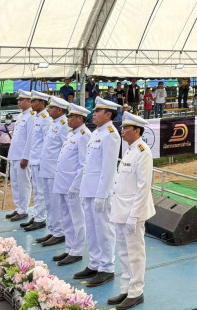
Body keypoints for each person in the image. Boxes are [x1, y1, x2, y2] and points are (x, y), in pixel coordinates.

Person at [109, 112, 155, 310]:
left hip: (133, 212)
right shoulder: (129, 150)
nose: (122, 131)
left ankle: (136, 292)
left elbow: (143, 187)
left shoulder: (143, 152)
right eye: (122, 127)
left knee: (135, 253)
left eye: (126, 128)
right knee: (123, 252)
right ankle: (126, 288)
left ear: (137, 131)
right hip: (121, 210)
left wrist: (134, 216)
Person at [74, 97, 122, 286]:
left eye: (97, 111)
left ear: (108, 114)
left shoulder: (111, 135)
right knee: (92, 228)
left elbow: (108, 169)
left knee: (104, 230)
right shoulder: (97, 132)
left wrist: (102, 195)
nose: (93, 114)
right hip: (89, 189)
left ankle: (107, 267)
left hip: (100, 191)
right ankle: (94, 263)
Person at [52, 104, 92, 267]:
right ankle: (69, 247)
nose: (68, 119)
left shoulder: (84, 135)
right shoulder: (72, 133)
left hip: (72, 184)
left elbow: (84, 164)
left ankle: (76, 251)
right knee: (65, 216)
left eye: (71, 117)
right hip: (63, 182)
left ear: (80, 119)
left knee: (76, 218)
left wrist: (76, 186)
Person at [34, 96, 71, 248]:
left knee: (56, 203)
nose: (48, 110)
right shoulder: (54, 123)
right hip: (46, 169)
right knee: (49, 202)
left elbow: (65, 149)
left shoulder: (64, 125)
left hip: (55, 171)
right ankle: (53, 229)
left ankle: (60, 232)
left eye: (51, 108)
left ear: (59, 110)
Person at [20, 91, 52, 230]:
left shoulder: (46, 119)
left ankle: (40, 218)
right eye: (31, 101)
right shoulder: (37, 118)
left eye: (34, 101)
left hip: (39, 161)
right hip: (34, 159)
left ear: (42, 103)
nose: (32, 104)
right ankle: (37, 215)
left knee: (41, 191)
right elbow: (33, 140)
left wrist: (41, 161)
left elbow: (46, 143)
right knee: (37, 191)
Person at [5, 90, 36, 223]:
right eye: (18, 100)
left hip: (22, 155)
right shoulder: (21, 116)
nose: (18, 102)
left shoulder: (32, 116)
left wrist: (26, 157)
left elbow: (30, 139)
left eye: (21, 100)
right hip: (15, 154)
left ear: (29, 101)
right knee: (15, 183)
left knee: (23, 184)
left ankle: (23, 209)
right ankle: (18, 207)